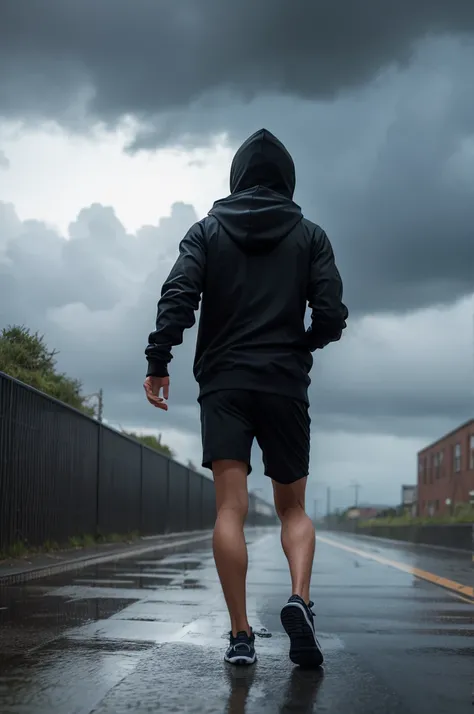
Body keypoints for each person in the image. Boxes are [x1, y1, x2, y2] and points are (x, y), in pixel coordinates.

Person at [144, 128, 348, 668]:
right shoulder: (311, 235)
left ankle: (239, 635)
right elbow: (331, 313)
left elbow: (179, 292)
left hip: (225, 383)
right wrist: (302, 345)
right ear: (287, 179)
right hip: (284, 383)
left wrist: (159, 358)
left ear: (235, 178)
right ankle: (300, 599)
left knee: (231, 508)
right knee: (293, 508)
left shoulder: (207, 231)